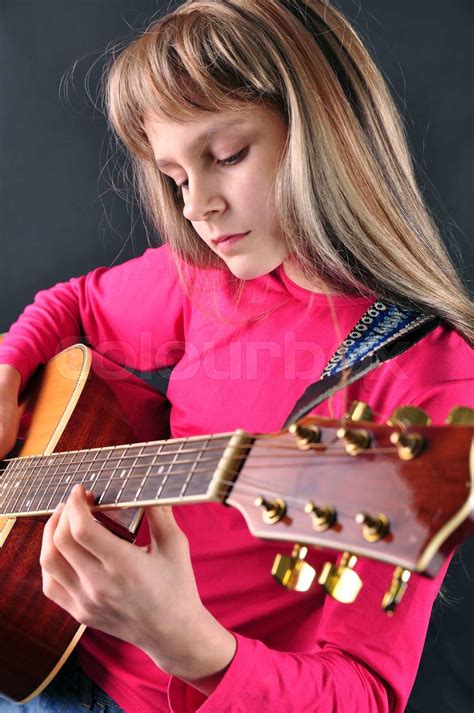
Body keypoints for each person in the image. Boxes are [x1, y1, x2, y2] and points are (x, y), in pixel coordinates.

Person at [0, 1, 472, 711]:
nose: (196, 208)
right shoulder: (215, 274)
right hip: (34, 632)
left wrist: (187, 643)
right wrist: (7, 374)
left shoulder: (424, 373)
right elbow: (71, 305)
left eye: (225, 157)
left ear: (326, 130)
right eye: (176, 176)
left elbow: (365, 691)